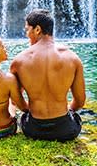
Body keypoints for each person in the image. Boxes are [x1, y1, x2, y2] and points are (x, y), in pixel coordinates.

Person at [10, 9, 86, 142]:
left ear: (37, 29)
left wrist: (29, 110)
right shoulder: (73, 58)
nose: (27, 34)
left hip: (33, 129)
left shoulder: (19, 61)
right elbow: (80, 101)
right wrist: (68, 110)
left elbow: (16, 100)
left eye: (27, 30)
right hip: (65, 130)